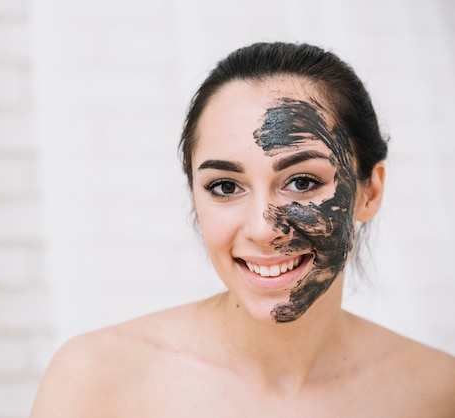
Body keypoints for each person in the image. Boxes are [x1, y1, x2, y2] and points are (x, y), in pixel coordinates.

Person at [30, 42, 455, 417]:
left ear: (370, 191)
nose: (262, 228)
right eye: (226, 186)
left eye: (302, 182)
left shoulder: (438, 392)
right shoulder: (96, 380)